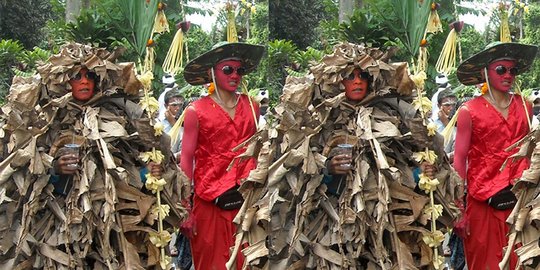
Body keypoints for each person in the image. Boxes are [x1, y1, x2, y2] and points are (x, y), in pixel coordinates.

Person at [229, 43, 462, 269]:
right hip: (332, 226)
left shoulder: (393, 115)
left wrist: (420, 173)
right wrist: (328, 169)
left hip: (384, 226)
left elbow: (402, 168)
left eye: (363, 76)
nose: (357, 81)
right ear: (339, 81)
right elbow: (297, 176)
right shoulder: (320, 119)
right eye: (350, 76)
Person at [0, 43, 186, 268]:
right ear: (65, 81)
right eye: (77, 76)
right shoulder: (47, 120)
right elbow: (25, 178)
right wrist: (55, 170)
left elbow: (130, 167)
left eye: (90, 75)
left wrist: (148, 172)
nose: (85, 81)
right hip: (61, 226)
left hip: (112, 224)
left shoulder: (119, 114)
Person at [179, 41, 264, 270]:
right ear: (211, 73)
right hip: (210, 205)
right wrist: (185, 209)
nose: (234, 75)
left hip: (247, 202)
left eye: (239, 70)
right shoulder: (196, 111)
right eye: (228, 69)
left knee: (249, 263)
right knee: (211, 264)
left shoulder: (252, 107)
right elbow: (186, 160)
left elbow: (259, 148)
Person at [453, 42, 538, 270]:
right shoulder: (468, 111)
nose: (508, 75)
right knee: (485, 263)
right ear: (485, 73)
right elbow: (459, 160)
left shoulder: (525, 107)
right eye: (501, 69)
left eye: (513, 70)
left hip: (521, 201)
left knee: (523, 261)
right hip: (483, 205)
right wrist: (458, 209)